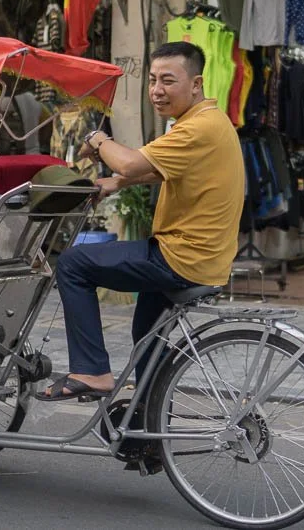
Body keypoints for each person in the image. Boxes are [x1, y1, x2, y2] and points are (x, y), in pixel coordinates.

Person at [36, 41, 245, 402]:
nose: (157, 91)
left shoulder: (197, 128)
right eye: (151, 80)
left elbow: (131, 162)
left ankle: (91, 372)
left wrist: (97, 139)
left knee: (72, 263)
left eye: (168, 80)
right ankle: (145, 431)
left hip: (181, 257)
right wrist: (117, 183)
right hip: (199, 256)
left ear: (196, 84)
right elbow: (157, 170)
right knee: (146, 336)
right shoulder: (206, 120)